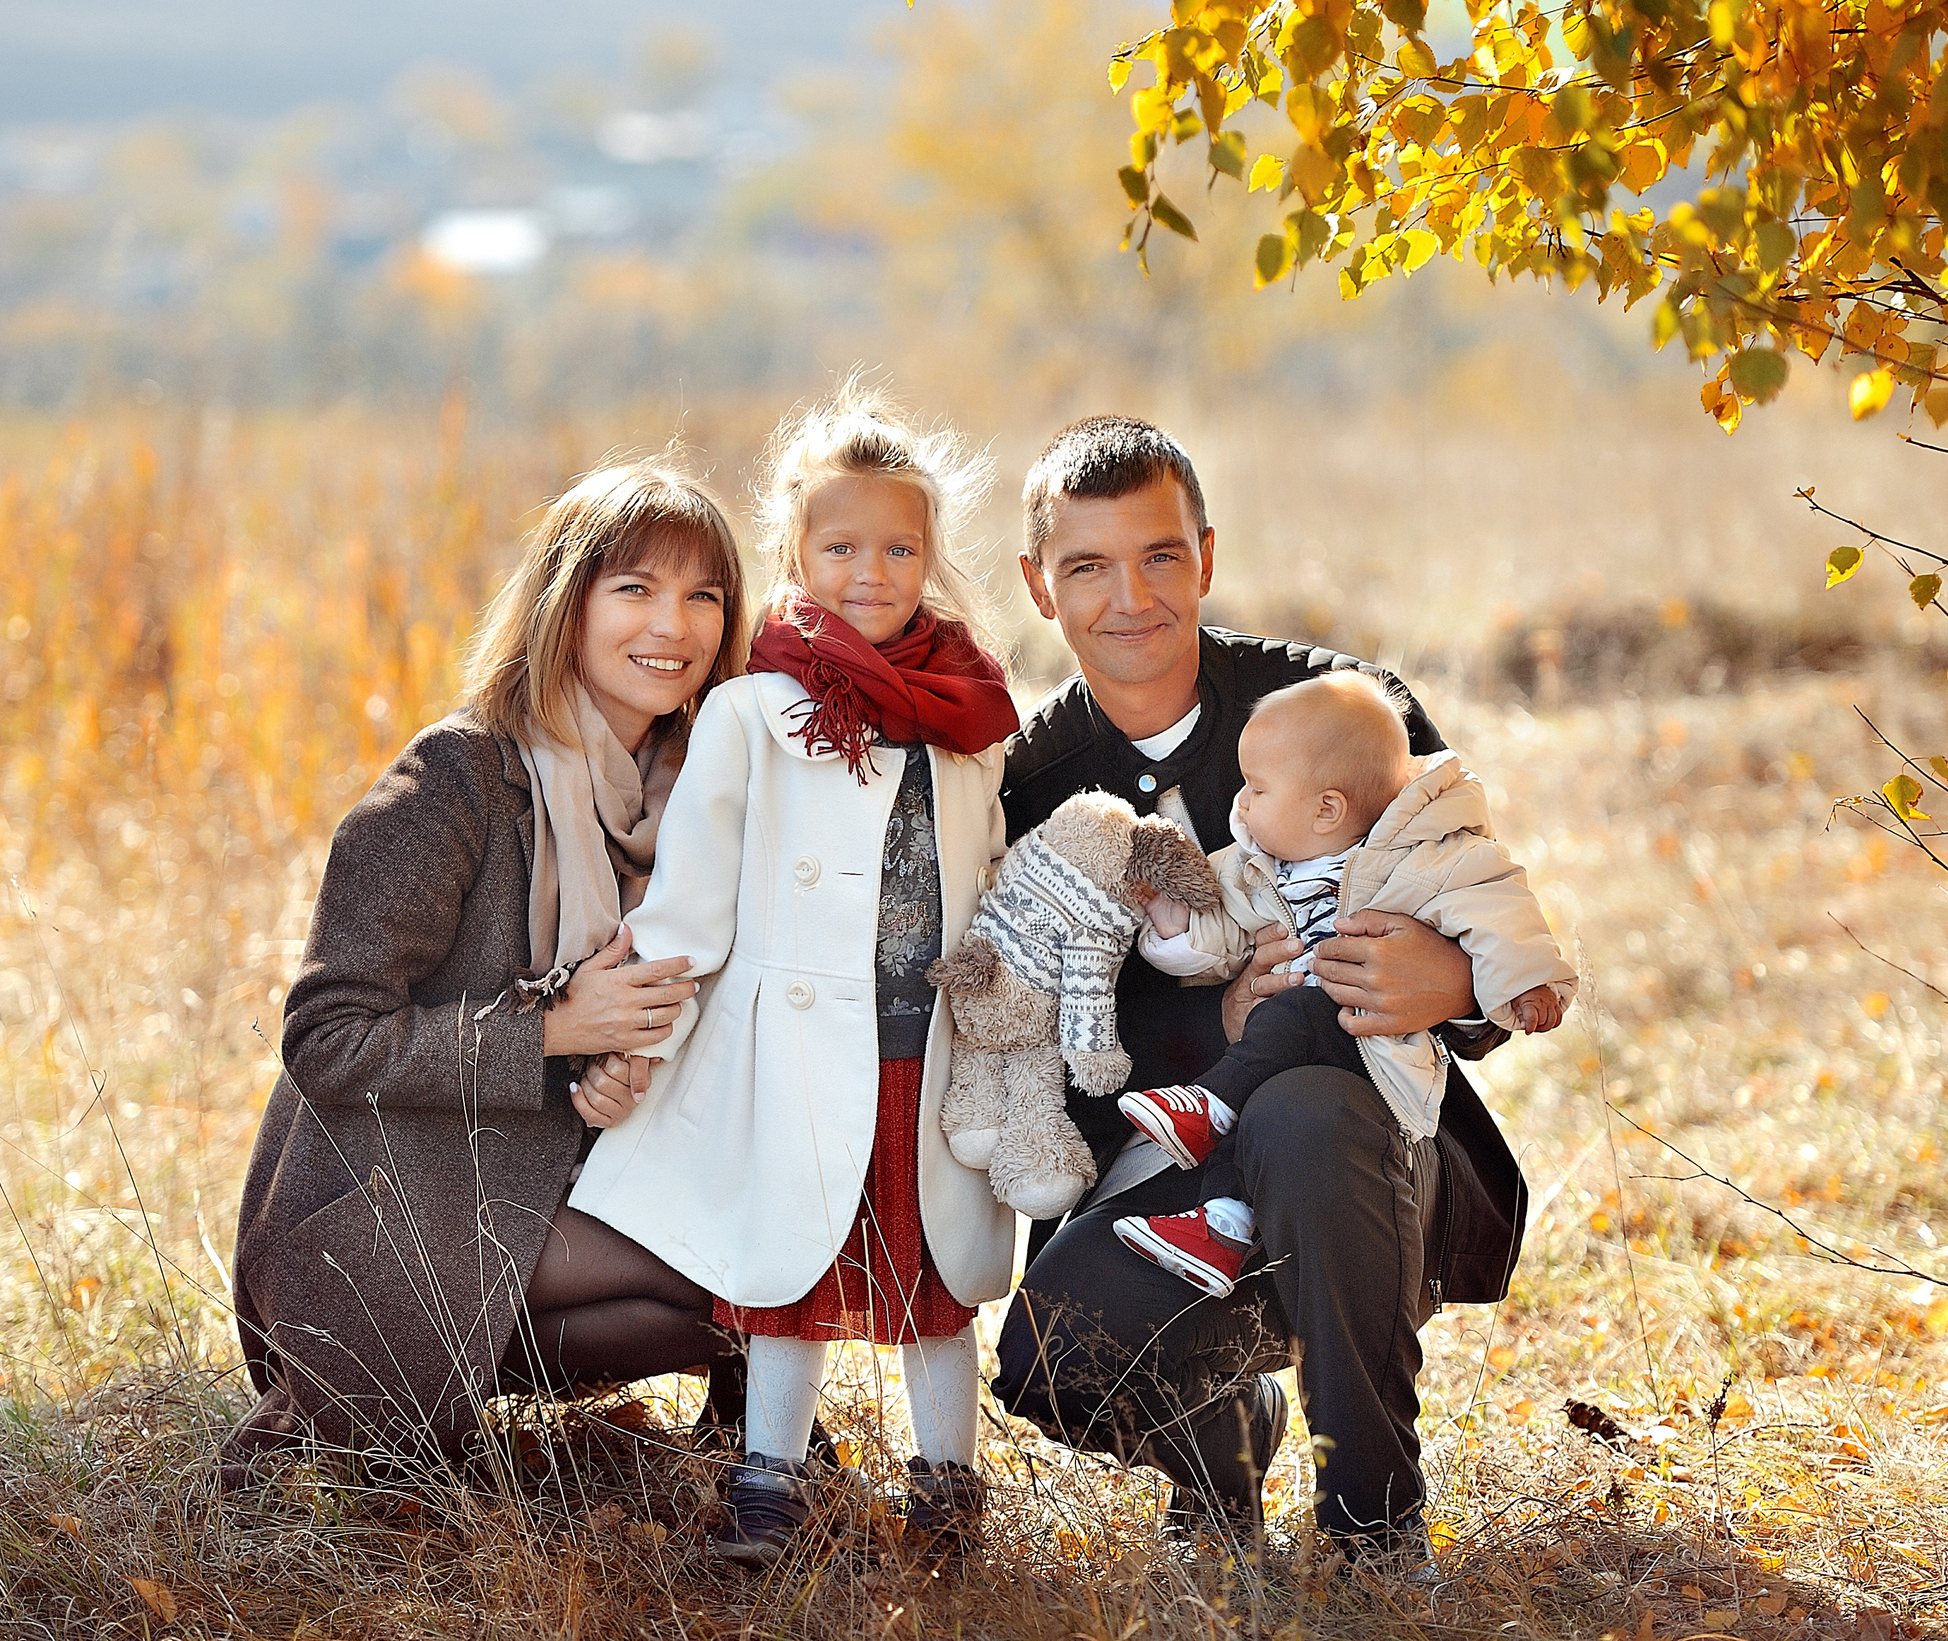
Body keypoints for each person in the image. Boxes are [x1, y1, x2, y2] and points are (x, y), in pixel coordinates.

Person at [988, 416, 1532, 1566]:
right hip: (1171, 1166)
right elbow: (1035, 1028)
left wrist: (1453, 980)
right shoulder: (1024, 785)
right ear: (1040, 587)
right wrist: (1212, 1019)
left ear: (1207, 556)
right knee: (1052, 1357)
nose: (1129, 597)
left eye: (1160, 556)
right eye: (1087, 566)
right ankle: (1222, 1441)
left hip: (1368, 1156)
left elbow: (1476, 893)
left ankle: (1373, 1528)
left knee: (1302, 1110)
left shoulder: (1343, 712)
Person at [223, 460, 750, 1480]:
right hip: (386, 1214)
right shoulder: (456, 779)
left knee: (773, 1257)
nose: (673, 627)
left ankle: (748, 1447)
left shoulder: (703, 797)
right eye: (635, 590)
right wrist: (556, 1032)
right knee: (749, 1266)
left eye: (703, 596)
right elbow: (328, 1037)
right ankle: (337, 1392)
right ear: (568, 604)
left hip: (542, 1188)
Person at [567, 388, 1021, 1567]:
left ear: (930, 555)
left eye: (898, 548)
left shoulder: (970, 722)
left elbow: (993, 877)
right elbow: (691, 906)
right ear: (793, 554)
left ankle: (949, 1489)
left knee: (933, 1273)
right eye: (839, 546)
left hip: (930, 1048)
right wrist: (635, 1044)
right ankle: (767, 1483)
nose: (869, 571)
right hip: (799, 1045)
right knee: (794, 1267)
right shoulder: (755, 712)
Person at [1116, 670, 1574, 1296]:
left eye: (1255, 788)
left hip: (1369, 1062)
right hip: (1277, 1067)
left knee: (1294, 1017)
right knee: (1258, 1093)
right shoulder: (1256, 867)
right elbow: (1215, 938)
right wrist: (1171, 921)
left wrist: (1525, 982)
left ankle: (1210, 1105)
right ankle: (1221, 1224)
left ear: (1326, 808)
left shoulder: (1423, 858)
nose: (1240, 804)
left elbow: (1496, 909)